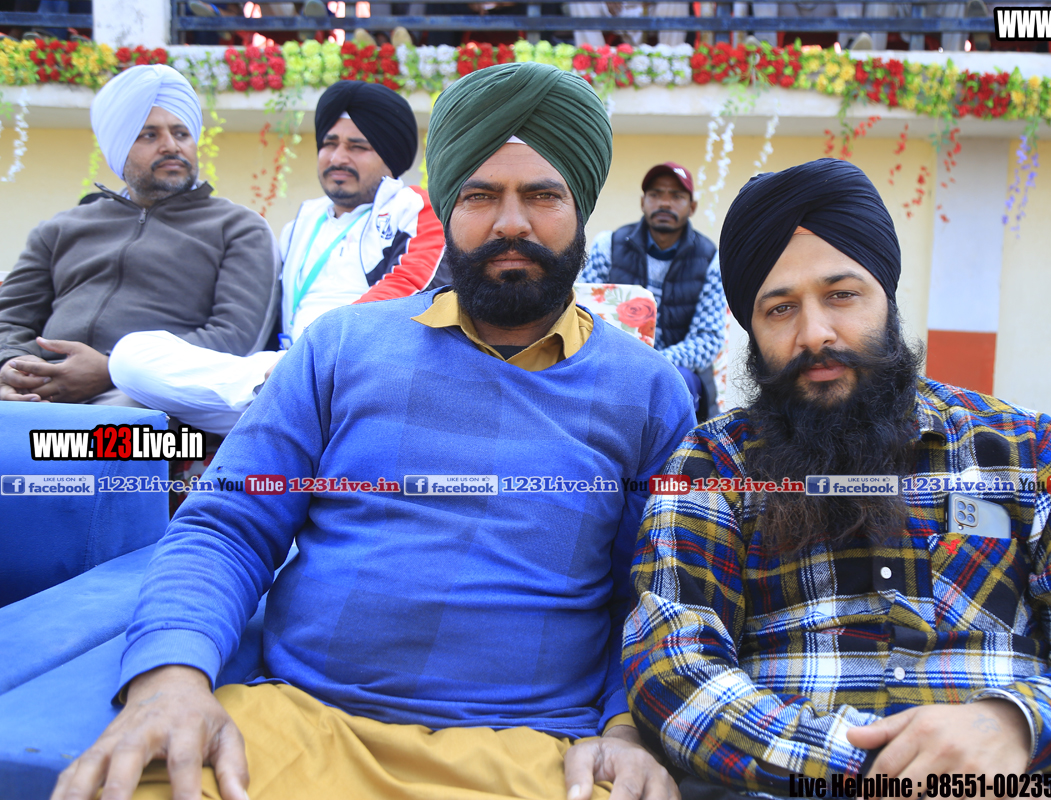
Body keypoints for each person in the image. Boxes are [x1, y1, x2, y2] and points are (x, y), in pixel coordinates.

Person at [51, 61, 694, 800]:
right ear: (447, 208)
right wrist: (171, 679)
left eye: (543, 195)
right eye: (480, 195)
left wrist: (625, 732)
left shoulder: (648, 392)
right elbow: (228, 528)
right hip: (299, 725)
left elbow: (655, 594)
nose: (511, 222)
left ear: (580, 210)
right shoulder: (341, 347)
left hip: (538, 750)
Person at [622, 159, 1051, 796]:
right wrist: (878, 771)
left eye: (842, 295)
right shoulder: (713, 466)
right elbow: (673, 671)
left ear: (886, 295)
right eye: (780, 309)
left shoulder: (1025, 450)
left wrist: (1014, 726)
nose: (815, 334)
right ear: (751, 329)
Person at [106, 80, 444, 436]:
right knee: (131, 354)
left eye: (357, 147)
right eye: (329, 144)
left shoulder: (411, 206)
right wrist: (277, 369)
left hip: (358, 371)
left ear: (389, 156)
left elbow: (411, 286)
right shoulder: (301, 223)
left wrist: (317, 353)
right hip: (276, 372)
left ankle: (289, 399)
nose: (337, 158)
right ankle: (276, 393)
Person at [0, 64, 278, 406]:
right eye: (149, 135)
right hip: (42, 383)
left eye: (181, 133)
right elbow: (10, 316)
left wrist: (111, 369)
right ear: (118, 147)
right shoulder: (60, 229)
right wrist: (12, 366)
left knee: (108, 427)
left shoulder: (237, 227)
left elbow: (236, 337)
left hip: (151, 393)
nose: (170, 146)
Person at [580, 162, 725, 416]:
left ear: (692, 207)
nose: (665, 203)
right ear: (642, 202)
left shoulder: (711, 259)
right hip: (610, 365)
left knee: (678, 382)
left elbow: (707, 339)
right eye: (656, 194)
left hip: (676, 371)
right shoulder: (609, 247)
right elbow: (581, 314)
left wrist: (652, 363)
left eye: (676, 196)